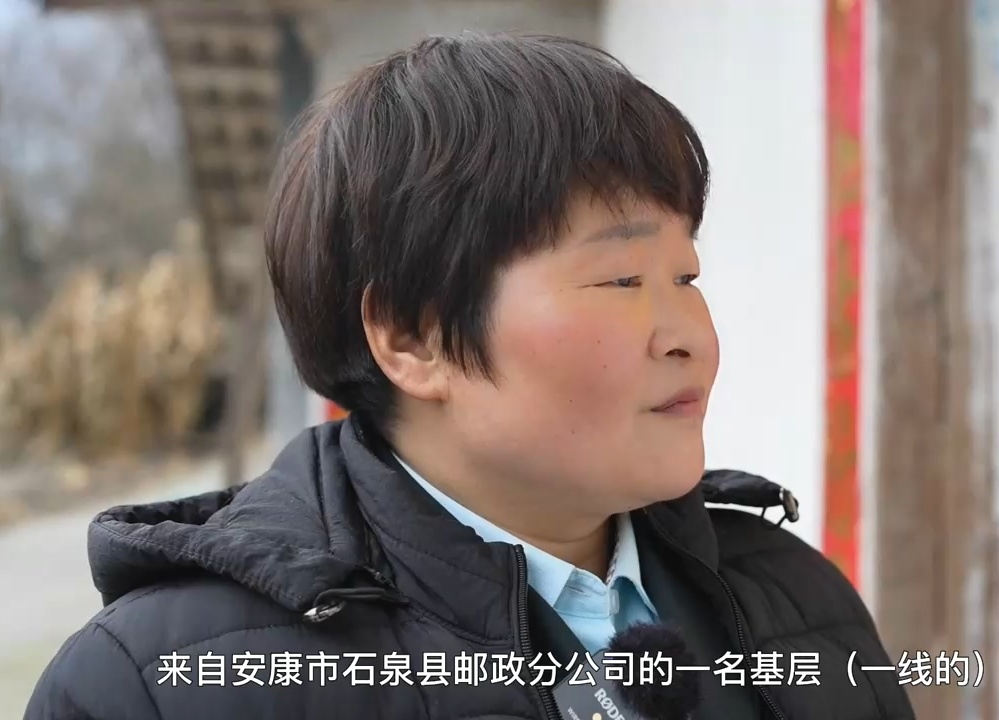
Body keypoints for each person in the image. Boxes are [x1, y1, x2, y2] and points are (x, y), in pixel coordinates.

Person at [25, 32, 913, 720]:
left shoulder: (791, 597)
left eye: (685, 277)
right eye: (620, 280)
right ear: (412, 338)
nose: (690, 336)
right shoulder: (155, 686)